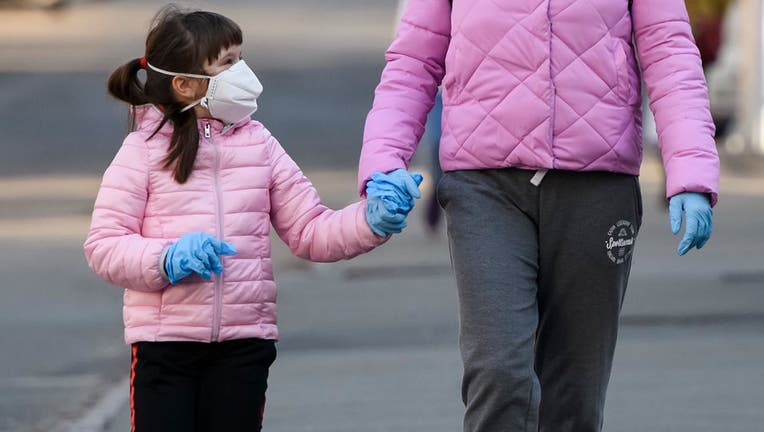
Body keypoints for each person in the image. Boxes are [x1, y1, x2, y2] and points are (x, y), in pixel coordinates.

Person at [358, 1, 719, 431]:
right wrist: (384, 161)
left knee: (575, 397)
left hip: (597, 189)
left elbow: (670, 53)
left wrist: (692, 170)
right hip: (485, 188)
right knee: (499, 373)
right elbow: (414, 61)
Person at [83, 6, 421, 432]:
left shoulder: (259, 143)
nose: (242, 72)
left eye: (241, 58)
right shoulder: (143, 150)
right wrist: (166, 259)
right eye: (227, 63)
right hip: (164, 347)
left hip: (245, 347)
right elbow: (104, 244)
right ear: (186, 85)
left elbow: (310, 231)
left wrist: (372, 221)